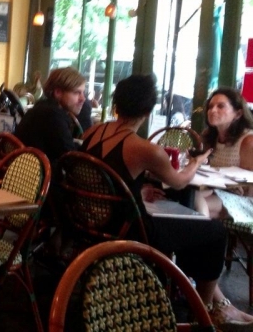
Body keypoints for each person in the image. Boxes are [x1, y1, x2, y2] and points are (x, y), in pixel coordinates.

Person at [80, 74, 253, 328]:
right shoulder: (143, 148)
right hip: (132, 229)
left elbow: (106, 177)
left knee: (188, 217)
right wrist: (195, 162)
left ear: (117, 103)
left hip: (93, 221)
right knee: (214, 233)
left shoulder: (93, 132)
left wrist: (138, 191)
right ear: (149, 110)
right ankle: (202, 313)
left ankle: (183, 287)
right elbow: (179, 182)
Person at [197, 88, 253, 217]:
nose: (213, 110)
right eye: (210, 106)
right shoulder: (209, 137)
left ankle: (200, 228)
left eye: (220, 106)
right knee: (187, 198)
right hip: (218, 190)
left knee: (195, 203)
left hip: (245, 201)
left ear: (238, 114)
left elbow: (248, 187)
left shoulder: (248, 141)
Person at [14, 66, 86, 166]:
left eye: (83, 93)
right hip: (40, 173)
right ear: (58, 93)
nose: (83, 98)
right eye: (77, 93)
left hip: (24, 169)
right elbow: (70, 158)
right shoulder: (53, 115)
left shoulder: (42, 107)